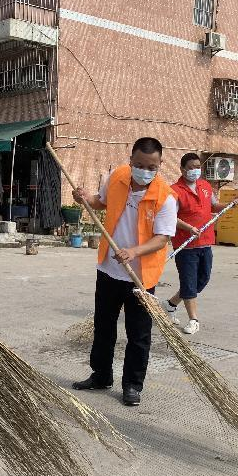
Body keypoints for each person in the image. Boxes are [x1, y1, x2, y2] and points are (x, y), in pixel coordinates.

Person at [71, 137, 177, 406]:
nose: (144, 170)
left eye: (151, 166)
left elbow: (162, 238)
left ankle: (132, 385)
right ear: (131, 160)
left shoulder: (165, 197)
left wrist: (134, 252)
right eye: (139, 164)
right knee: (103, 326)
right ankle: (101, 375)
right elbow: (101, 202)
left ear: (160, 164)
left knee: (139, 335)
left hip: (141, 277)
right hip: (108, 268)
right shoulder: (117, 176)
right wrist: (85, 199)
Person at [162, 153, 230, 335]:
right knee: (189, 282)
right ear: (182, 169)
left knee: (202, 279)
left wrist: (228, 205)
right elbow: (171, 217)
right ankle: (194, 319)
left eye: (198, 167)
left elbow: (213, 205)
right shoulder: (174, 191)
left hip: (205, 242)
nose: (195, 170)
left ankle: (170, 305)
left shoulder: (205, 186)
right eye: (191, 167)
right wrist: (189, 227)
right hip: (186, 245)